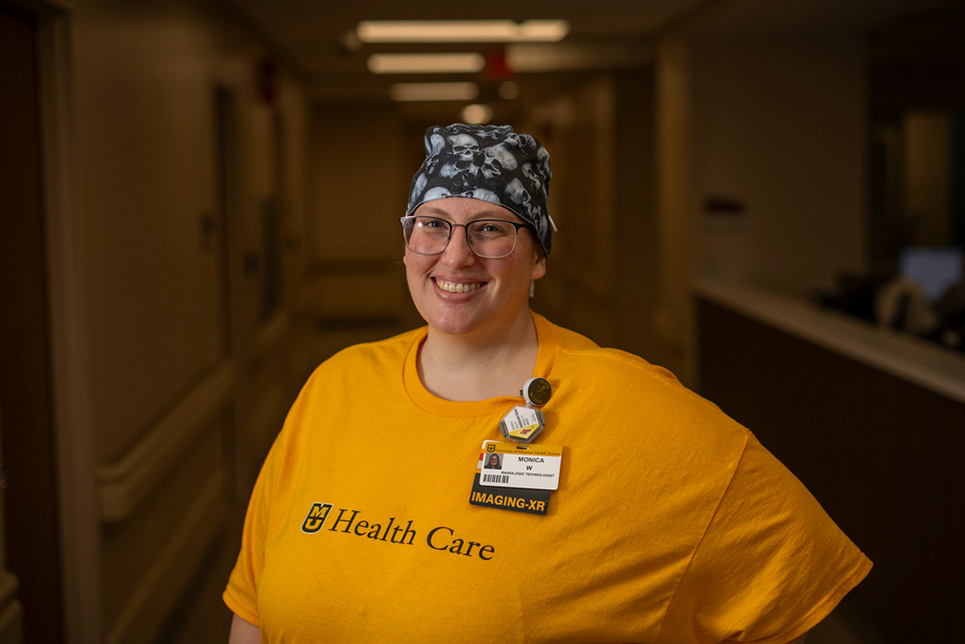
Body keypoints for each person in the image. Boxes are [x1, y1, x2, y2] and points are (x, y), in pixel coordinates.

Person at [224, 123, 871, 643]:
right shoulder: (337, 387)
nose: (455, 255)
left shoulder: (634, 409)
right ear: (405, 244)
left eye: (491, 230)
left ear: (537, 258)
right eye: (433, 224)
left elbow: (796, 600)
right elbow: (252, 605)